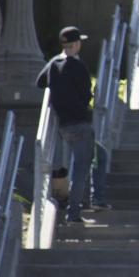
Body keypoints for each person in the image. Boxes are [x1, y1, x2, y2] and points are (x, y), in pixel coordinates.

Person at [36, 26, 97, 226]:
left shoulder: (54, 64)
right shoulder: (78, 67)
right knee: (80, 169)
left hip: (63, 126)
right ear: (77, 44)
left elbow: (40, 82)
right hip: (80, 123)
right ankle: (74, 212)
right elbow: (87, 94)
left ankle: (84, 203)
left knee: (88, 160)